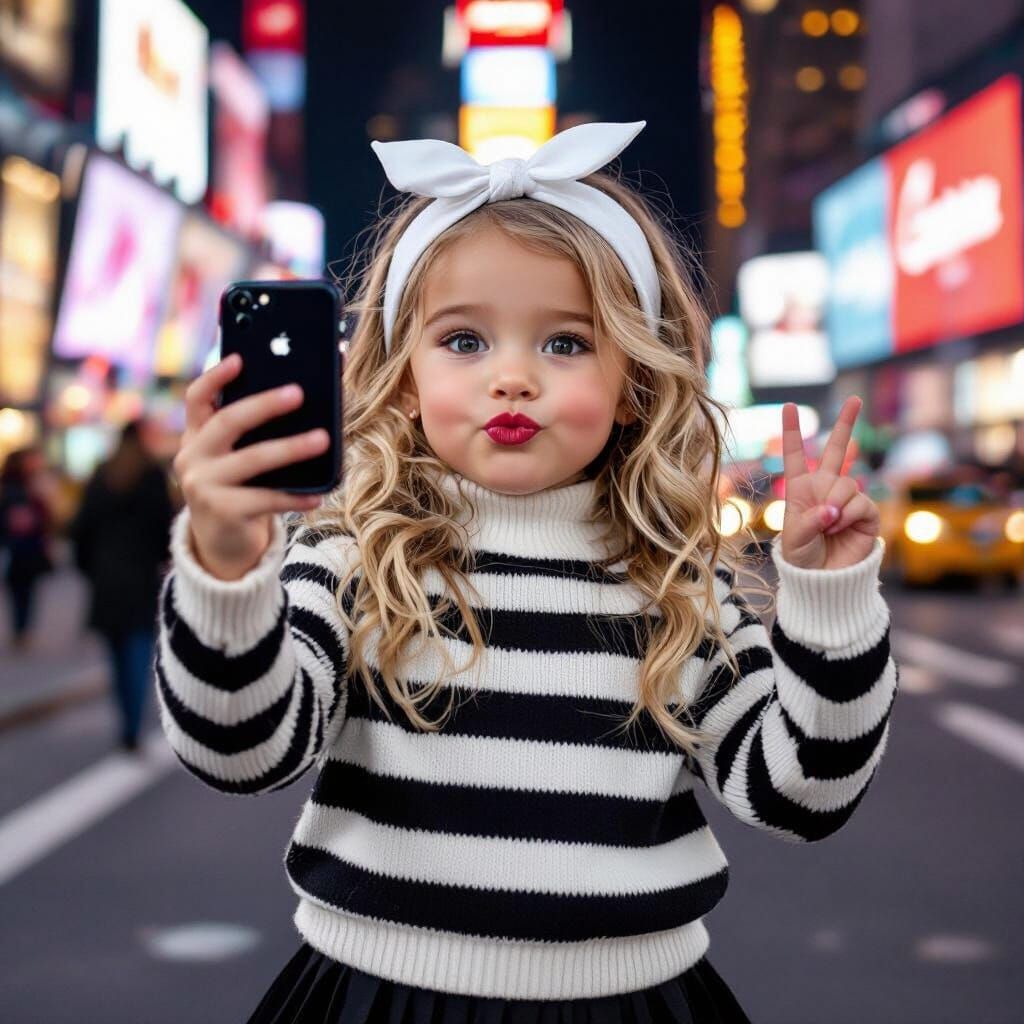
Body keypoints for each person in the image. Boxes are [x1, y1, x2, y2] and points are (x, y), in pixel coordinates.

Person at [155, 122, 899, 1022]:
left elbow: (804, 794)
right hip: (376, 998)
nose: (512, 377)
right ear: (403, 375)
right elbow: (242, 753)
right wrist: (227, 561)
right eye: (464, 341)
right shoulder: (349, 559)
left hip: (634, 1004)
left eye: (565, 344)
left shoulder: (676, 585)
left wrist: (830, 598)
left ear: (634, 380)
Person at [70, 418, 175, 752]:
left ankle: (125, 720)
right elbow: (164, 528)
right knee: (138, 651)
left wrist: (89, 568)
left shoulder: (102, 474)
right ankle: (132, 725)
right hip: (141, 579)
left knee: (116, 654)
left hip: (106, 578)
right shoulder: (152, 475)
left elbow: (81, 528)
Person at [0, 446, 55, 651]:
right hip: (20, 548)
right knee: (21, 591)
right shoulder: (17, 488)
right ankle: (21, 630)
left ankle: (22, 630)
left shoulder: (28, 485)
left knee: (24, 592)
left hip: (25, 548)